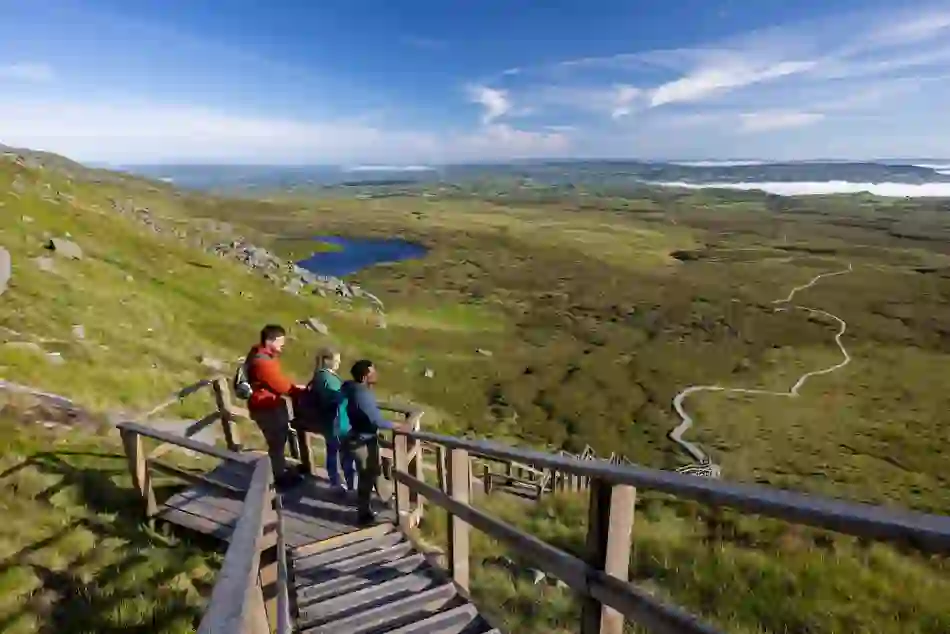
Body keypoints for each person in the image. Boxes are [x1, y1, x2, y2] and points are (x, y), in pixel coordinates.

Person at [246, 324, 306, 489]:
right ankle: (278, 477)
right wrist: (301, 392)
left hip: (266, 404)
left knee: (278, 439)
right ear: (269, 340)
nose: (282, 345)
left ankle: (279, 470)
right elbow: (281, 386)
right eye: (280, 342)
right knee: (277, 440)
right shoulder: (263, 363)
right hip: (266, 406)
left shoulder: (260, 355)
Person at [342, 359, 400, 524]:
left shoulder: (350, 388)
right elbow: (376, 420)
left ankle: (385, 500)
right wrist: (398, 425)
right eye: (373, 371)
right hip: (363, 440)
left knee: (373, 472)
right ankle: (364, 514)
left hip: (356, 437)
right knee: (366, 475)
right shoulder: (362, 393)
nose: (376, 374)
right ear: (365, 375)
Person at [311, 347, 355, 493]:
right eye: (336, 360)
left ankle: (336, 481)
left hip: (330, 420)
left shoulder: (322, 376)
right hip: (336, 420)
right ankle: (345, 484)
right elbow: (334, 397)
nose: (339, 362)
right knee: (343, 453)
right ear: (326, 360)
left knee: (333, 451)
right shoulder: (326, 378)